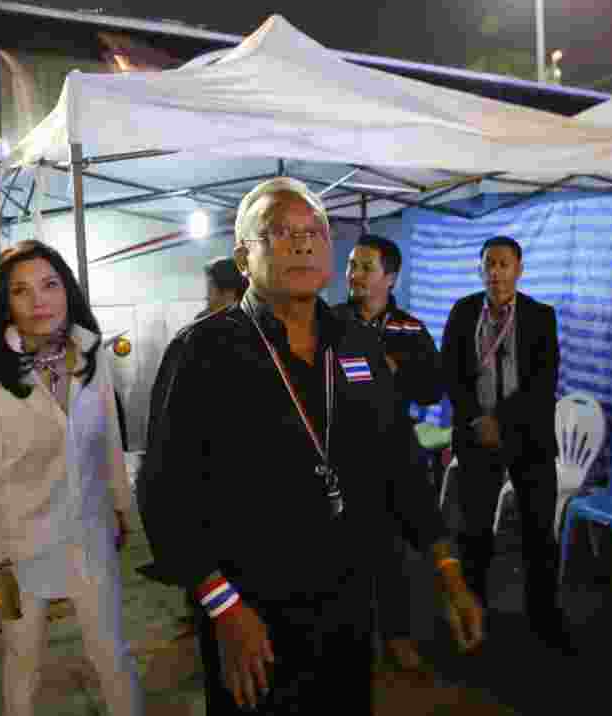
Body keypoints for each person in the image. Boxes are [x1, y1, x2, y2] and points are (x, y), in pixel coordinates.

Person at [138, 177, 484, 715]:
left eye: (314, 232)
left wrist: (447, 567)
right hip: (249, 611)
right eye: (278, 232)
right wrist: (223, 608)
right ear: (243, 257)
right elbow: (164, 494)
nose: (301, 243)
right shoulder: (203, 351)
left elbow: (399, 462)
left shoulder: (358, 344)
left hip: (346, 605)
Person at [0, 240, 143, 716]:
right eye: (21, 290)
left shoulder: (89, 356)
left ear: (67, 291)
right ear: (4, 303)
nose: (39, 300)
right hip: (20, 547)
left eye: (49, 284)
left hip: (90, 533)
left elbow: (108, 443)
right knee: (23, 661)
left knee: (113, 656)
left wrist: (122, 509)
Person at [440, 235, 573, 653]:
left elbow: (543, 381)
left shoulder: (540, 316)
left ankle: (544, 618)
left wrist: (502, 420)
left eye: (503, 264)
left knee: (538, 534)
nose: (495, 272)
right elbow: (451, 373)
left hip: (528, 439)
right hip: (477, 437)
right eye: (488, 264)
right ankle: (473, 612)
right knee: (475, 532)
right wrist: (479, 420)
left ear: (519, 269)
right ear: (479, 269)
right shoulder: (463, 312)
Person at [333, 233, 445, 672]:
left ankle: (397, 636)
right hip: (340, 455)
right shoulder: (331, 322)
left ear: (390, 277)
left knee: (392, 554)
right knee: (342, 554)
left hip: (392, 456)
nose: (354, 275)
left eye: (366, 267)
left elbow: (433, 389)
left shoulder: (410, 330)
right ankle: (348, 638)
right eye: (352, 266)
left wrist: (398, 371)